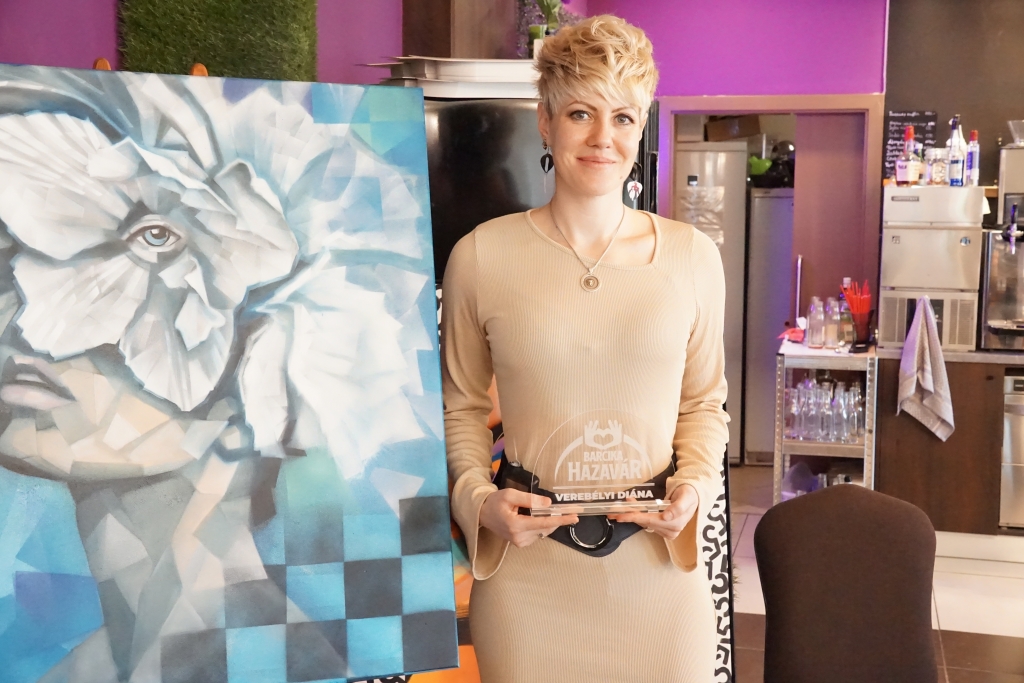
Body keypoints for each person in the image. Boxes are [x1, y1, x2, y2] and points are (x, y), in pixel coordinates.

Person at [441, 14, 729, 683]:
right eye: (580, 113)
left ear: (642, 126)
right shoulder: (480, 256)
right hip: (529, 587)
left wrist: (693, 488)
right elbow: (460, 409)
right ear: (545, 122)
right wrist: (478, 499)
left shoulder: (692, 257)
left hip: (660, 586)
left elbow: (703, 404)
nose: (604, 137)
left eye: (623, 117)